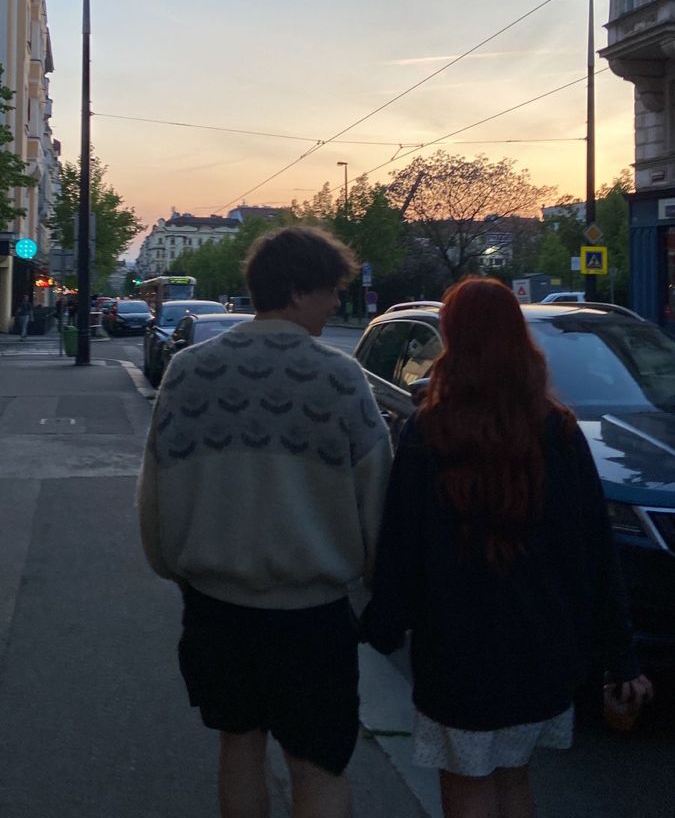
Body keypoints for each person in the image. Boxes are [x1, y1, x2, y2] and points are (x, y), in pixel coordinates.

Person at [361, 277, 652, 818]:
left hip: (457, 653)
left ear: (453, 339)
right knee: (514, 776)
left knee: (467, 782)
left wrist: (380, 626)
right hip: (542, 649)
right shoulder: (559, 432)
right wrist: (619, 654)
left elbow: (402, 546)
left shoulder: (431, 433)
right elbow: (594, 551)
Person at [137, 226, 392, 818]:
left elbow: (158, 487)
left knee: (239, 746)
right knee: (319, 766)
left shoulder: (188, 370)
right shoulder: (339, 377)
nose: (336, 304)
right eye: (331, 291)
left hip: (216, 608)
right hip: (312, 617)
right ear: (299, 291)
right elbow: (376, 497)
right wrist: (374, 588)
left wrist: (176, 568)